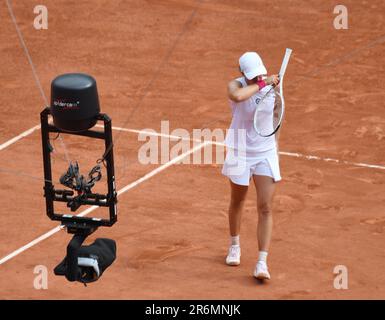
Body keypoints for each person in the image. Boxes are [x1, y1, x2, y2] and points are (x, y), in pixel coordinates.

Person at [222, 52, 281, 280]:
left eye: (259, 74)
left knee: (265, 207)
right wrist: (264, 83)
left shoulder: (271, 87)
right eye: (252, 76)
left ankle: (262, 263)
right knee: (237, 200)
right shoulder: (235, 86)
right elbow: (238, 97)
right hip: (239, 152)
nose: (257, 78)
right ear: (242, 74)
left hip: (264, 153)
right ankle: (234, 245)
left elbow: (277, 114)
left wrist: (275, 144)